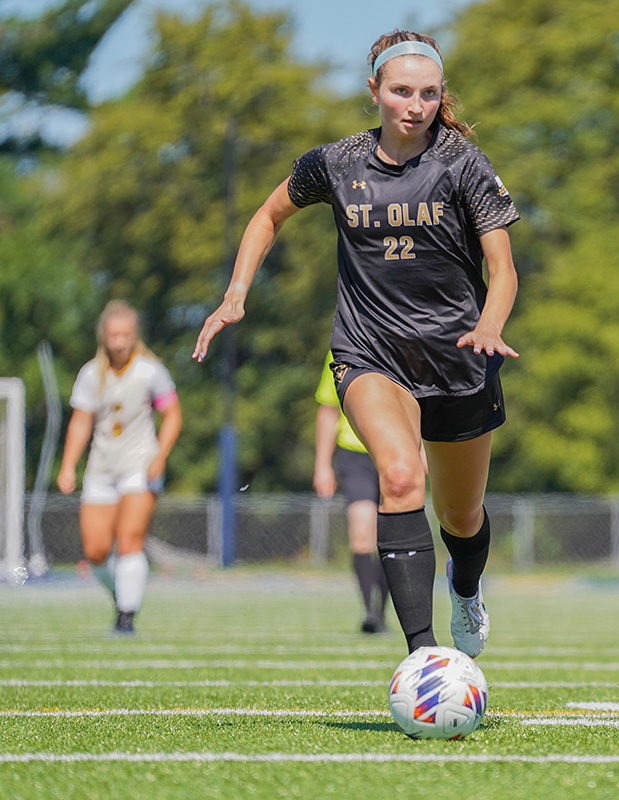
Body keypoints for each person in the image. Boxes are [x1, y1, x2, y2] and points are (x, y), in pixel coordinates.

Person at [193, 30, 519, 659]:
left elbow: (502, 270)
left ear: (440, 97)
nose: (414, 105)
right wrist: (236, 292)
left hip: (459, 358)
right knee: (399, 477)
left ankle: (467, 590)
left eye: (428, 93)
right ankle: (423, 657)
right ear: (374, 91)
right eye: (400, 91)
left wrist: (489, 325)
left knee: (461, 519)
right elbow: (267, 217)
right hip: (370, 354)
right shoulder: (335, 164)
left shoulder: (462, 164)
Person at [57, 300, 182, 634]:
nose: (119, 341)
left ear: (134, 335)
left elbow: (172, 415)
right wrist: (68, 466)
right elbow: (81, 423)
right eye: (114, 335)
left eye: (126, 334)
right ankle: (121, 595)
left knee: (129, 539)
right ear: (104, 336)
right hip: (101, 468)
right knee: (96, 550)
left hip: (140, 465)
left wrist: (160, 456)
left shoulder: (150, 370)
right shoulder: (89, 375)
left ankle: (127, 616)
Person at [314, 350, 389, 634]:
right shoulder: (339, 348)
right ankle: (369, 612)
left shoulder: (406, 330)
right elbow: (329, 408)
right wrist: (322, 464)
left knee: (390, 535)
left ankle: (382, 614)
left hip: (394, 449)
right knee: (361, 532)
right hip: (354, 453)